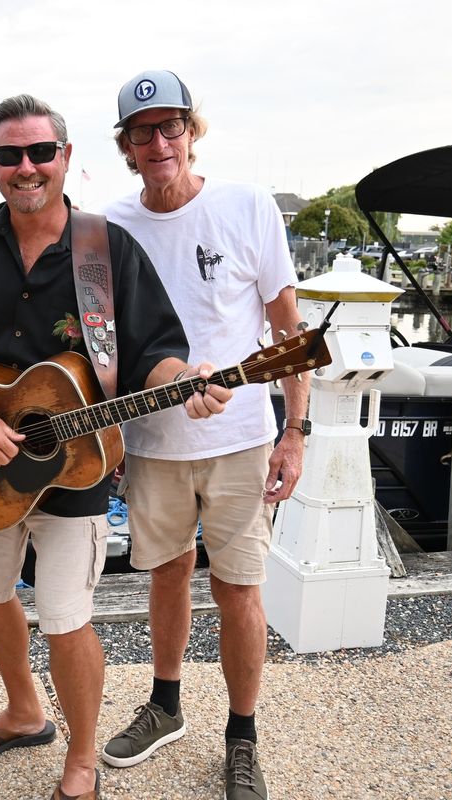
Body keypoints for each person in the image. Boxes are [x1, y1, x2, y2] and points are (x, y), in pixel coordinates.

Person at [0, 94, 232, 800]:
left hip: (75, 467)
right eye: (11, 155)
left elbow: (157, 356)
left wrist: (191, 380)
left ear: (66, 157)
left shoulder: (103, 249)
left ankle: (81, 759)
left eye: (41, 152)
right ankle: (25, 710)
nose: (28, 167)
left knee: (65, 616)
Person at [98, 71, 310, 800]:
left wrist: (295, 433)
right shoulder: (108, 226)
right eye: (142, 132)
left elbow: (291, 334)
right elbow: (104, 345)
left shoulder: (248, 206)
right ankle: (166, 703)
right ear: (125, 146)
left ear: (192, 130)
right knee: (164, 577)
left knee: (239, 589)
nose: (159, 143)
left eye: (171, 127)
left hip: (243, 442)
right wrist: (129, 416)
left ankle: (242, 735)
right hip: (153, 444)